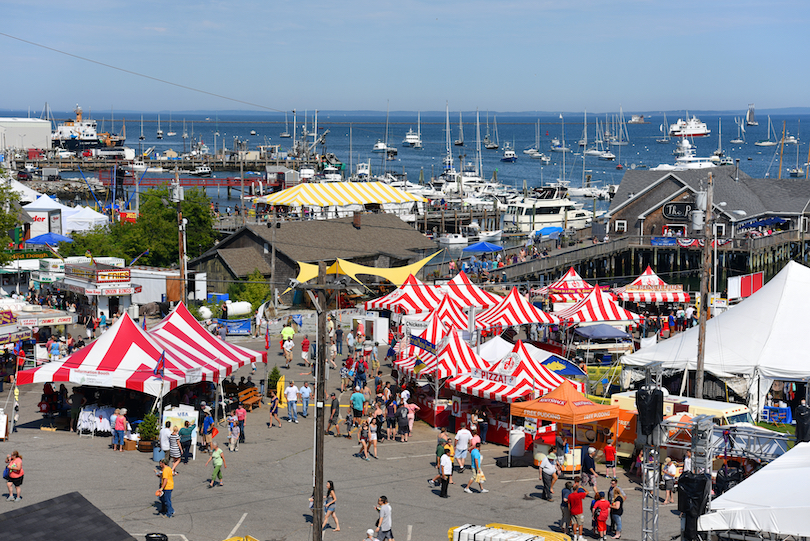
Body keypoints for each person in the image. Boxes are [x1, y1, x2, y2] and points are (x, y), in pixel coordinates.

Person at [566, 477, 589, 541]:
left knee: (574, 523)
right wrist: (582, 487)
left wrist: (569, 510)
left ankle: (575, 536)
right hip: (579, 511)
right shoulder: (579, 495)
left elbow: (568, 504)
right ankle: (580, 536)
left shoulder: (570, 495)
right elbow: (587, 492)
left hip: (572, 511)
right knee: (580, 524)